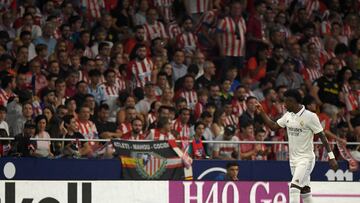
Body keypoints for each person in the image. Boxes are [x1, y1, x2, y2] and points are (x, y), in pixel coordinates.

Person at [255, 89, 338, 203]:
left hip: (306, 159)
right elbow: (274, 126)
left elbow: (322, 136)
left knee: (294, 188)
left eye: (287, 101)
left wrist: (331, 157)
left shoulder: (310, 116)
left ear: (294, 102)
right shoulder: (288, 115)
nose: (284, 104)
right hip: (293, 160)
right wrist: (262, 112)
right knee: (305, 190)